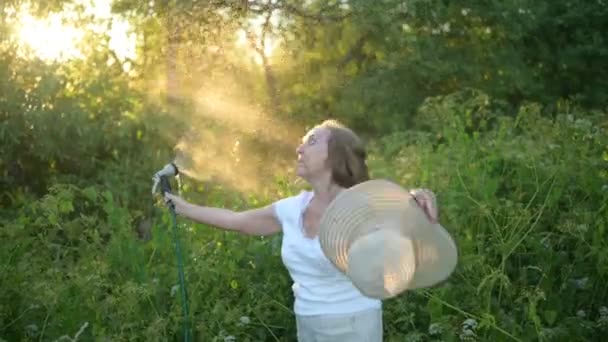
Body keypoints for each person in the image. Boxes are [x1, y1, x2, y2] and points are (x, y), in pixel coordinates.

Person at [163, 119, 438, 341]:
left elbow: (401, 218)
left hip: (356, 326)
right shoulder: (292, 209)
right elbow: (239, 221)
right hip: (307, 324)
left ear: (335, 154)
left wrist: (416, 197)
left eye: (312, 141)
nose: (300, 149)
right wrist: (184, 208)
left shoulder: (363, 205)